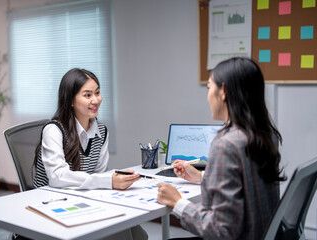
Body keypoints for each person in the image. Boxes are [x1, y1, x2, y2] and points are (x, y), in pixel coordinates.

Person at [157, 57, 285, 240]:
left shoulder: (227, 143)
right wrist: (201, 176)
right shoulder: (265, 133)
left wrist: (177, 202)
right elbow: (246, 184)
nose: (208, 95)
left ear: (223, 91)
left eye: (209, 87)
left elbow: (221, 231)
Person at [31, 68, 147, 240]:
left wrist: (115, 180)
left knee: (136, 232)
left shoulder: (101, 130)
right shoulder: (54, 130)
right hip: (51, 204)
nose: (96, 100)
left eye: (98, 93)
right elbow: (57, 177)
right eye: (87, 95)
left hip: (80, 199)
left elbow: (98, 173)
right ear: (70, 100)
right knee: (120, 232)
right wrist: (109, 181)